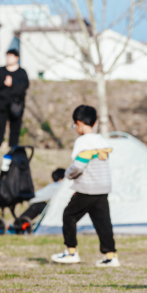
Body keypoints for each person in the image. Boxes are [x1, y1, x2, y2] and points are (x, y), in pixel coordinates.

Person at [50, 106, 119, 267]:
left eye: (75, 126)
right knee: (103, 223)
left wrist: (68, 174)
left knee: (69, 215)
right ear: (94, 123)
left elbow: (79, 166)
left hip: (87, 188)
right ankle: (111, 256)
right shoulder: (101, 140)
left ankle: (71, 252)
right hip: (102, 188)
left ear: (79, 123)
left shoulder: (82, 142)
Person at [0, 49, 30, 147]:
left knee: (15, 127)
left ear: (17, 58)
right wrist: (4, 83)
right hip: (1, 104)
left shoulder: (22, 72)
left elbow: (25, 85)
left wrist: (13, 83)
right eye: (7, 56)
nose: (8, 58)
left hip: (16, 104)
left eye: (11, 56)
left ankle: (13, 147)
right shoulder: (1, 70)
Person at [9, 168, 66, 233]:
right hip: (64, 212)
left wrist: (26, 198)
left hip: (57, 213)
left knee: (38, 205)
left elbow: (36, 196)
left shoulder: (56, 186)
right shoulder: (67, 186)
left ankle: (19, 223)